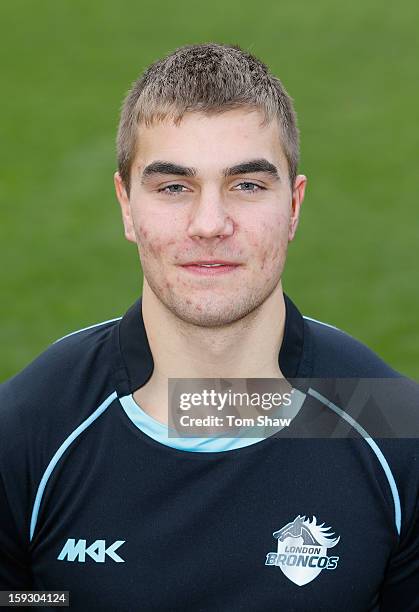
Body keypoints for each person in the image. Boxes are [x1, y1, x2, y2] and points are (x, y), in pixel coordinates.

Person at [0, 43, 418, 611]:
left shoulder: (394, 429)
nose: (210, 224)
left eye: (247, 184)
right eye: (174, 187)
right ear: (126, 205)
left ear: (294, 206)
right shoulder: (28, 431)